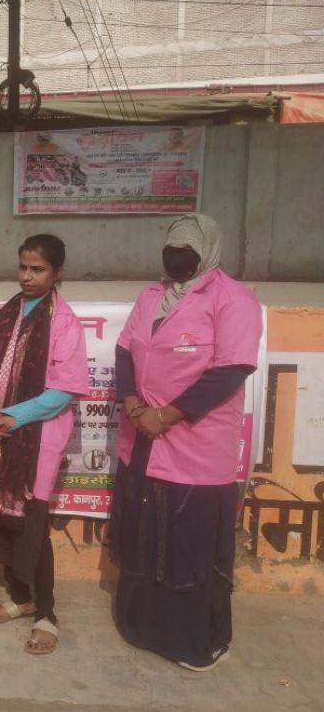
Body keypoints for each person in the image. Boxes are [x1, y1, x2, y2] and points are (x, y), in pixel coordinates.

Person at [108, 214, 261, 671]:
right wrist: (133, 404)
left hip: (195, 442)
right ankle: (140, 626)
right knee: (144, 534)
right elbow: (124, 351)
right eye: (170, 249)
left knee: (187, 542)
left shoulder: (233, 300)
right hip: (142, 436)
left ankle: (193, 642)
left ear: (208, 252)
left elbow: (230, 370)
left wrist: (166, 415)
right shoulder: (151, 296)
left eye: (187, 252)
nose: (176, 258)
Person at [0, 234, 88, 655]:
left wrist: (9, 418)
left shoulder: (64, 323)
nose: (27, 276)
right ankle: (20, 598)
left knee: (31, 527)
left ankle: (46, 614)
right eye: (23, 267)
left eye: (38, 269)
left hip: (35, 440)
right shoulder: (2, 314)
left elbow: (64, 390)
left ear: (57, 273)